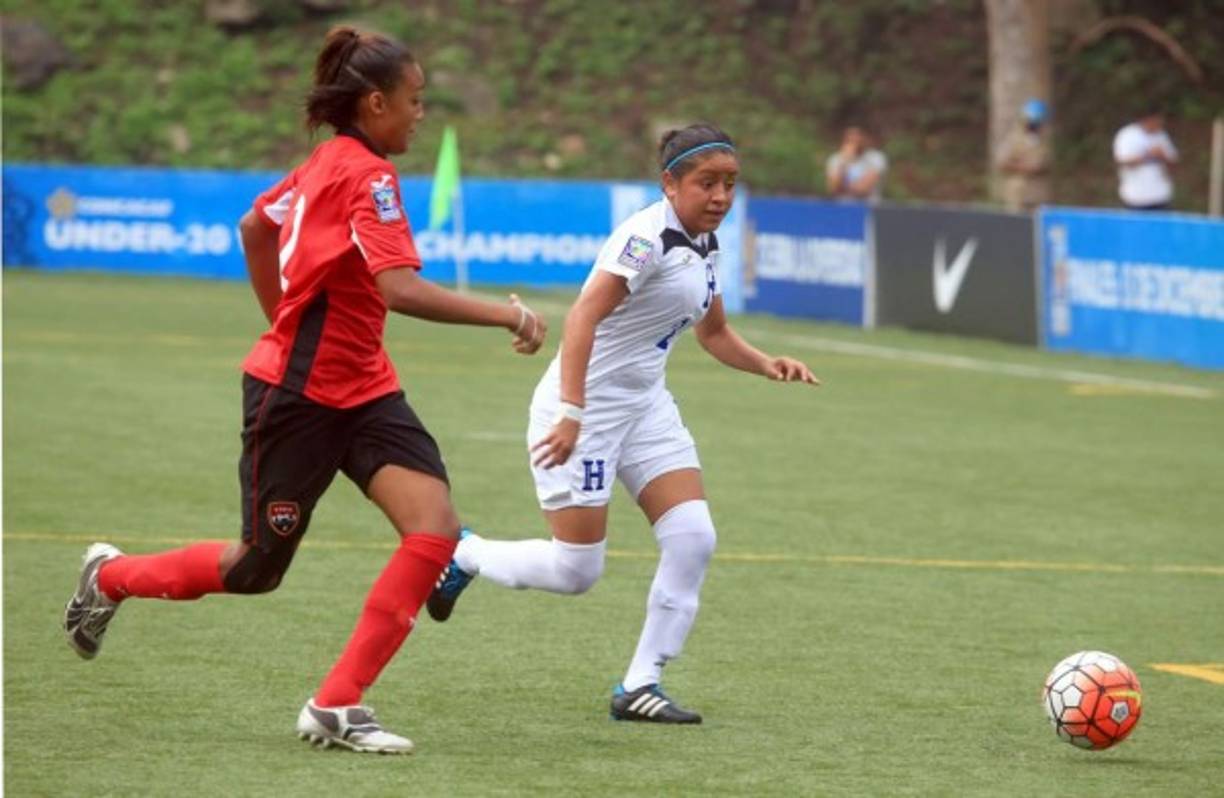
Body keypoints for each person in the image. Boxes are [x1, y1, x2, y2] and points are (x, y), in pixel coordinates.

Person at [61, 26, 547, 755]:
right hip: (298, 399)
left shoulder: (326, 161)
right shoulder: (368, 176)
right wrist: (506, 314)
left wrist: (281, 317)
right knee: (254, 570)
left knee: (435, 527)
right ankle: (112, 577)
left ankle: (336, 704)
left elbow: (254, 227)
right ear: (375, 102)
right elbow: (399, 288)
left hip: (366, 389)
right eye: (415, 100)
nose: (421, 114)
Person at [425, 124, 819, 724]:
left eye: (730, 183)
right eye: (707, 183)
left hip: (646, 408)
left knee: (694, 538)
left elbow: (713, 333)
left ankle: (640, 684)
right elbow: (581, 318)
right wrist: (572, 413)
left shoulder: (707, 243)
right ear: (670, 183)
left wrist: (766, 363)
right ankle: (468, 553)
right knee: (576, 571)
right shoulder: (644, 239)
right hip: (583, 412)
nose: (720, 196)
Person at [1113, 111, 1178, 210]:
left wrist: (1163, 156)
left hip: (1161, 196)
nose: (1160, 124)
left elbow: (1173, 161)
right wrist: (1148, 155)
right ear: (1147, 119)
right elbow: (1122, 162)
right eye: (1157, 121)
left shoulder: (1161, 134)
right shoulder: (1128, 134)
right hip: (1136, 197)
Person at [997, 98, 1051, 212]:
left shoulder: (1043, 142)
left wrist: (1037, 167)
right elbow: (1002, 163)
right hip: (1018, 195)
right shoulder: (1014, 139)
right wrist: (1025, 167)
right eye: (1032, 121)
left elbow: (1045, 165)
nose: (1034, 125)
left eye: (1038, 122)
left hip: (1038, 195)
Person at [825, 125, 887, 202]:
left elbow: (863, 189)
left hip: (867, 205)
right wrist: (844, 163)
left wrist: (842, 187)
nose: (854, 142)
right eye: (850, 139)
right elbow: (833, 189)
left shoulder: (875, 158)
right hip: (841, 205)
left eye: (857, 138)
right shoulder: (836, 159)